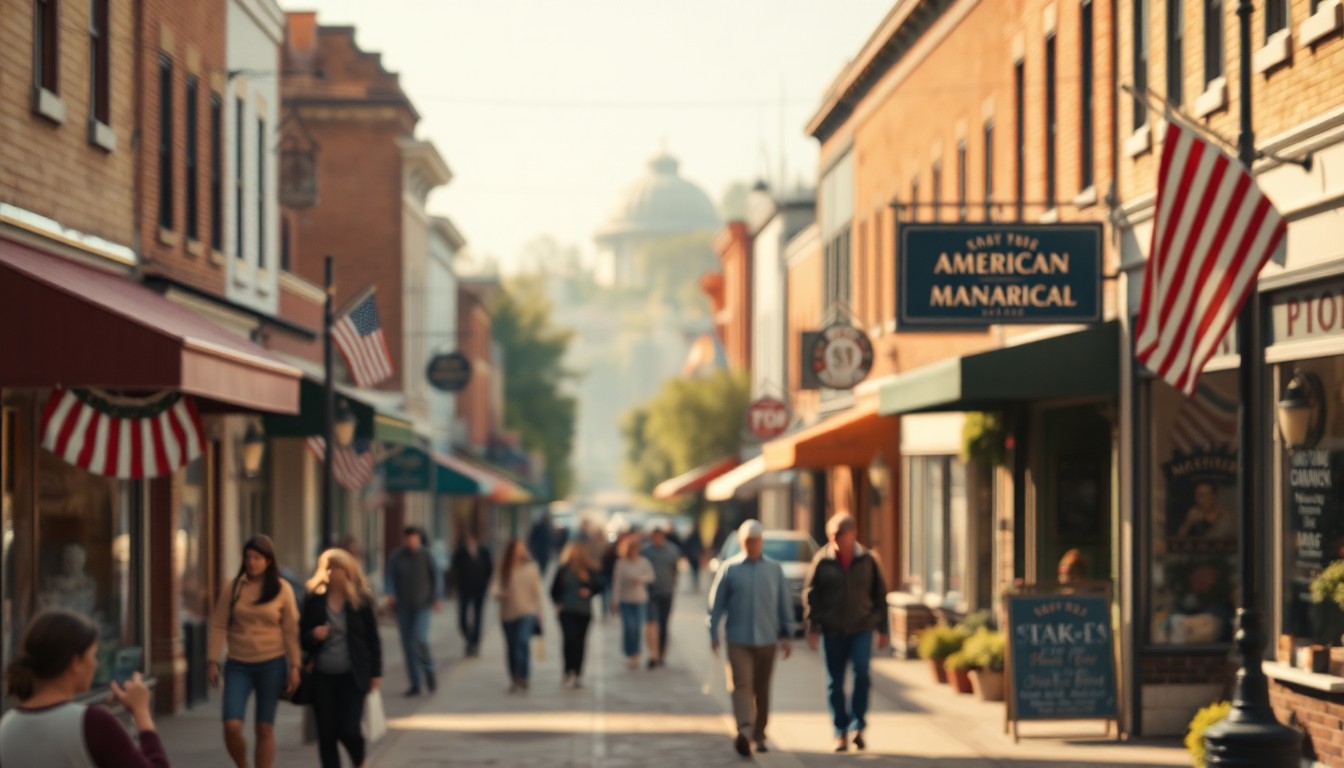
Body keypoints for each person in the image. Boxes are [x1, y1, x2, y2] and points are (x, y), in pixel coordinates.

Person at [0, 609, 169, 767]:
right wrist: (141, 712)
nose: (96, 663)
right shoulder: (93, 724)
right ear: (75, 663)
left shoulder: (6, 726)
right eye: (93, 655)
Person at [207, 535, 302, 768]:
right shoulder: (234, 587)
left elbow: (290, 631)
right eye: (248, 557)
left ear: (268, 561)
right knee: (231, 724)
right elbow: (219, 624)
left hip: (272, 664)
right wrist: (212, 660)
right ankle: (242, 765)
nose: (251, 562)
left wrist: (295, 666)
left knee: (264, 727)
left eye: (257, 558)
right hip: (238, 664)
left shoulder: (282, 589)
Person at [802, 513, 890, 753]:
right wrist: (812, 626)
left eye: (839, 535)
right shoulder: (823, 560)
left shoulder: (868, 560)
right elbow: (812, 595)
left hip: (862, 626)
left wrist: (883, 629)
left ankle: (858, 727)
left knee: (862, 673)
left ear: (852, 534)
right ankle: (840, 731)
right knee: (835, 683)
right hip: (832, 630)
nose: (834, 539)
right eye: (831, 535)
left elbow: (880, 596)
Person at [708, 520, 794, 757]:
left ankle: (760, 734)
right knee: (741, 685)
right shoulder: (730, 568)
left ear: (762, 542)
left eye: (756, 541)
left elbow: (783, 605)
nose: (752, 545)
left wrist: (787, 634)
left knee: (762, 688)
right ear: (742, 543)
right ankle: (744, 730)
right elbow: (716, 606)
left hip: (767, 639)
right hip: (738, 638)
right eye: (748, 541)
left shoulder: (774, 569)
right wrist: (713, 632)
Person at [301, 548, 382, 768]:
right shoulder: (313, 601)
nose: (331, 573)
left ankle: (359, 761)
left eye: (336, 568)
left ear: (348, 572)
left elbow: (373, 640)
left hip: (353, 675)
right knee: (327, 733)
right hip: (322, 676)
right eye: (328, 568)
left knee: (349, 729)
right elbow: (301, 636)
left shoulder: (360, 601)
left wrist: (376, 673)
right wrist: (313, 635)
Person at [385, 526, 441, 696]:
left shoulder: (426, 555)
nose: (411, 541)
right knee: (408, 645)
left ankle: (428, 669)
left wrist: (437, 597)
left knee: (420, 639)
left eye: (414, 538)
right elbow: (389, 576)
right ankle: (415, 683)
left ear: (419, 538)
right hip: (403, 607)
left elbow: (436, 577)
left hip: (422, 606)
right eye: (408, 538)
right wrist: (390, 593)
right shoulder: (396, 556)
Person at [491, 538, 542, 692]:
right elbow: (494, 586)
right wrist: (500, 594)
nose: (520, 552)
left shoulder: (531, 567)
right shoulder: (503, 566)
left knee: (522, 642)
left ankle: (524, 676)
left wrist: (540, 612)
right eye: (517, 549)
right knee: (512, 647)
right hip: (507, 614)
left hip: (527, 612)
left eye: (522, 548)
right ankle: (514, 678)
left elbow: (537, 592)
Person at [550, 542, 602, 688]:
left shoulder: (589, 570)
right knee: (569, 640)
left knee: (580, 643)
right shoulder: (563, 570)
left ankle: (578, 672)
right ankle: (568, 669)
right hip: (567, 610)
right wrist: (558, 603)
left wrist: (589, 590)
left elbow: (599, 587)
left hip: (583, 611)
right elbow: (553, 590)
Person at [611, 534, 655, 670]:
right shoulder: (621, 563)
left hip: (640, 599)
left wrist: (641, 579)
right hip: (625, 599)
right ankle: (629, 652)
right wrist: (614, 600)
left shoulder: (644, 562)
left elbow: (651, 576)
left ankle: (636, 654)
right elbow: (616, 583)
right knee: (629, 627)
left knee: (637, 628)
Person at [641, 525, 682, 668]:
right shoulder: (645, 551)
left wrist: (674, 581)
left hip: (667, 591)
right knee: (651, 623)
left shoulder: (672, 550)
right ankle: (653, 653)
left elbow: (675, 568)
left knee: (664, 624)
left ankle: (662, 653)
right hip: (650, 593)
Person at [449, 533, 493, 657]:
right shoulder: (460, 553)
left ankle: (474, 643)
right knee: (462, 617)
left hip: (479, 588)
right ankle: (468, 638)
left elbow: (489, 568)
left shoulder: (483, 551)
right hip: (464, 588)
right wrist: (455, 586)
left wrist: (485, 583)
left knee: (478, 616)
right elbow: (454, 569)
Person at [682, 527, 705, 592]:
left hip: (692, 557)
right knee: (696, 571)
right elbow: (701, 547)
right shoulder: (698, 537)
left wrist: (686, 555)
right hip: (696, 556)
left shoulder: (691, 537)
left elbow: (686, 546)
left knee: (693, 571)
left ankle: (694, 584)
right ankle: (695, 584)